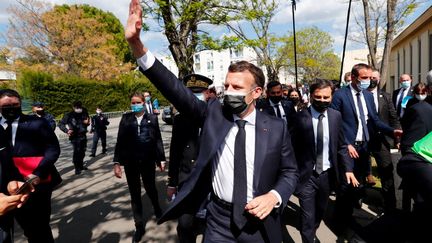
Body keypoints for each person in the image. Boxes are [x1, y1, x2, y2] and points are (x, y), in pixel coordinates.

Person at [125, 2, 299, 242]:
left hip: (259, 222)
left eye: (237, 87)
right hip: (218, 221)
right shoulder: (214, 114)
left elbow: (290, 172)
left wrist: (274, 196)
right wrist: (137, 45)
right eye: (227, 86)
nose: (229, 92)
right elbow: (176, 90)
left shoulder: (277, 128)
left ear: (257, 92)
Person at [330, 63, 402, 227]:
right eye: (364, 78)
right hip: (348, 148)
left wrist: (393, 131)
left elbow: (375, 121)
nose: (368, 81)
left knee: (358, 185)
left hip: (364, 147)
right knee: (345, 186)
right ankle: (340, 223)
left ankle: (350, 216)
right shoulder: (340, 95)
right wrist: (346, 144)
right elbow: (334, 124)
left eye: (370, 77)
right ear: (354, 77)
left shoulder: (368, 96)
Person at [291, 79, 358, 243]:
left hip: (327, 176)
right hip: (307, 176)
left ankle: (311, 231)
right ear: (311, 96)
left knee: (320, 211)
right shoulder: (299, 118)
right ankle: (308, 238)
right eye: (318, 97)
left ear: (332, 96)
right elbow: (289, 148)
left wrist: (348, 169)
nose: (322, 101)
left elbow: (341, 146)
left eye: (326, 97)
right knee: (308, 215)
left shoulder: (336, 116)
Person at [0, 89, 61, 243]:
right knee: (6, 230)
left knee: (38, 229)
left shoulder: (37, 123)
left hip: (35, 184)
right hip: (4, 188)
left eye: (15, 104)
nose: (11, 108)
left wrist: (38, 173)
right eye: (6, 105)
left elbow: (53, 149)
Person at [113, 91, 166, 242]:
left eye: (138, 102)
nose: (135, 105)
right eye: (133, 102)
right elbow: (120, 141)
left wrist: (161, 159)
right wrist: (117, 163)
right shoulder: (126, 119)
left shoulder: (152, 118)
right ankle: (139, 226)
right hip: (131, 163)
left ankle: (157, 208)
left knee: (150, 188)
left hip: (147, 161)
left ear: (144, 103)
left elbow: (157, 140)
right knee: (135, 194)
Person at [167, 74, 213, 243]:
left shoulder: (217, 117)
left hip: (211, 181)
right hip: (187, 180)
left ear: (207, 93)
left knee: (210, 225)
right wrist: (172, 183)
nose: (195, 97)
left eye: (199, 92)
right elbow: (175, 152)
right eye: (191, 93)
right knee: (185, 224)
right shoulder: (179, 119)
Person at [397, 80, 432, 242]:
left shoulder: (415, 107)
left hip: (414, 152)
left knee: (416, 195)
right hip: (418, 156)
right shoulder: (416, 106)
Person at [367, 70, 400, 213]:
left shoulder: (386, 96)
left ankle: (389, 206)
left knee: (386, 172)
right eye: (369, 77)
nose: (372, 80)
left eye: (374, 78)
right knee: (360, 172)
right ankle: (357, 200)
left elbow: (393, 117)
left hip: (382, 140)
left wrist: (397, 136)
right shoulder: (358, 96)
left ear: (379, 79)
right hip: (363, 139)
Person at [58, 101, 90, 175]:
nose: (79, 108)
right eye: (77, 107)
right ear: (73, 107)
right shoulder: (69, 115)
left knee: (83, 151)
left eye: (80, 107)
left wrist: (88, 123)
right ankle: (77, 168)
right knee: (77, 152)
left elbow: (87, 121)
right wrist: (67, 130)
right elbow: (60, 124)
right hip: (75, 136)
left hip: (83, 135)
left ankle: (81, 165)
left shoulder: (84, 112)